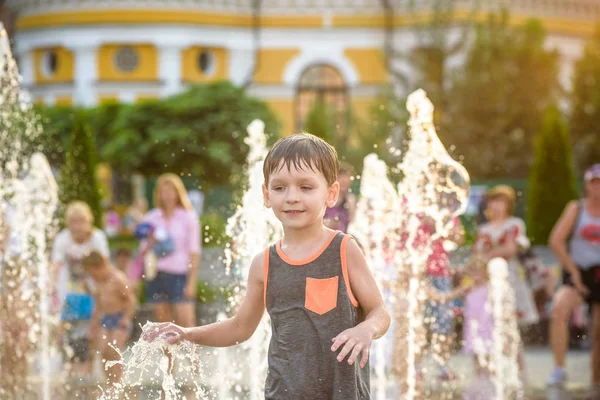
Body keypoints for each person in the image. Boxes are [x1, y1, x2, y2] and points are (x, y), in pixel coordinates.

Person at [144, 133, 391, 399]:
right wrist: (187, 333)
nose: (292, 197)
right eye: (280, 187)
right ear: (266, 194)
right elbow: (240, 327)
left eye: (306, 187)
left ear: (331, 194)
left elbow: (379, 311)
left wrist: (366, 328)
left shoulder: (344, 250)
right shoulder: (264, 263)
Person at [473, 185, 538, 379]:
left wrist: (488, 255)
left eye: (502, 202)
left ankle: (519, 373)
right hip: (487, 284)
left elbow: (510, 250)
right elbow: (476, 256)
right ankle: (491, 373)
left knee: (510, 328)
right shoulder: (483, 229)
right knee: (488, 328)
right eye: (494, 201)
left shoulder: (514, 224)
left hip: (510, 282)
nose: (497, 206)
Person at [547, 164, 600, 387]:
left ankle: (596, 382)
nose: (597, 187)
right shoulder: (576, 208)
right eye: (594, 182)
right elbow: (555, 241)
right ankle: (559, 369)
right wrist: (573, 272)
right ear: (587, 185)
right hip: (578, 270)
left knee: (598, 331)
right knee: (559, 307)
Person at [51, 201, 110, 377]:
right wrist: (50, 286)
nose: (77, 226)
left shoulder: (97, 237)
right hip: (70, 292)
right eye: (74, 221)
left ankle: (90, 373)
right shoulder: (63, 238)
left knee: (92, 333)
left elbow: (104, 266)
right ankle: (68, 371)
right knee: (67, 332)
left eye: (81, 221)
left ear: (88, 222)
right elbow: (56, 264)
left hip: (92, 290)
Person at [142, 173, 201, 329]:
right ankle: (169, 355)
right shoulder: (151, 218)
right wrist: (150, 242)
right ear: (158, 194)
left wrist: (192, 281)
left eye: (171, 191)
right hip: (156, 274)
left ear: (178, 193)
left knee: (187, 322)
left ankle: (193, 354)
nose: (167, 195)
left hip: (180, 275)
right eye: (163, 191)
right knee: (163, 326)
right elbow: (144, 249)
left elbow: (194, 251)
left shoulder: (188, 217)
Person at [83, 250, 135, 387]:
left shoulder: (118, 278)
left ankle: (117, 382)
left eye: (93, 272)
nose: (92, 276)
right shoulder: (98, 281)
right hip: (106, 319)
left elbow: (131, 301)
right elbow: (98, 304)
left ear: (102, 265)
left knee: (114, 350)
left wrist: (125, 319)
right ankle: (109, 383)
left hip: (120, 318)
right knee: (103, 351)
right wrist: (93, 324)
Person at [324, 162, 357, 233]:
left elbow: (354, 222)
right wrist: (326, 223)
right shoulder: (325, 197)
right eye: (342, 180)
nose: (345, 182)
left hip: (342, 238)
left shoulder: (350, 199)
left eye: (347, 180)